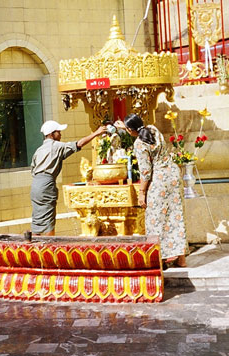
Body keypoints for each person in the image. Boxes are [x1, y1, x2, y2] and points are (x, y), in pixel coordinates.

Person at [115, 114, 187, 268]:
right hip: (173, 175)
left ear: (130, 130)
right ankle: (181, 258)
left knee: (155, 218)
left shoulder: (139, 144)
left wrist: (142, 193)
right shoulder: (153, 130)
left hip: (159, 179)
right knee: (176, 214)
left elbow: (146, 172)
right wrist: (126, 127)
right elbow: (141, 130)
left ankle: (159, 258)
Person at [30, 120, 107, 236]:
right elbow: (78, 144)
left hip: (35, 186)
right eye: (58, 132)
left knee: (38, 219)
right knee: (48, 219)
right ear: (51, 134)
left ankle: (35, 247)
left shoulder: (39, 150)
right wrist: (96, 133)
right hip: (46, 184)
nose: (60, 134)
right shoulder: (56, 146)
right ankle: (49, 247)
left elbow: (33, 169)